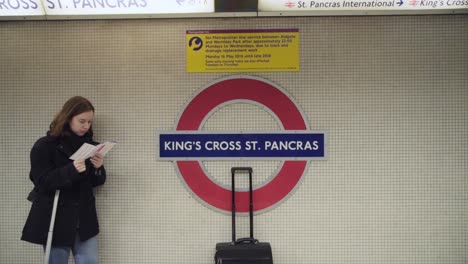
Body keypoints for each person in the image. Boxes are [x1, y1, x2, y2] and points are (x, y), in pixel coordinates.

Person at [21, 96, 106, 264]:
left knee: (90, 260)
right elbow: (41, 181)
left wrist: (98, 168)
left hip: (84, 219)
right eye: (82, 121)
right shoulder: (45, 145)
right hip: (56, 218)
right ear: (68, 118)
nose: (86, 126)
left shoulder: (90, 146)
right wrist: (71, 170)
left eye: (89, 122)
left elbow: (96, 182)